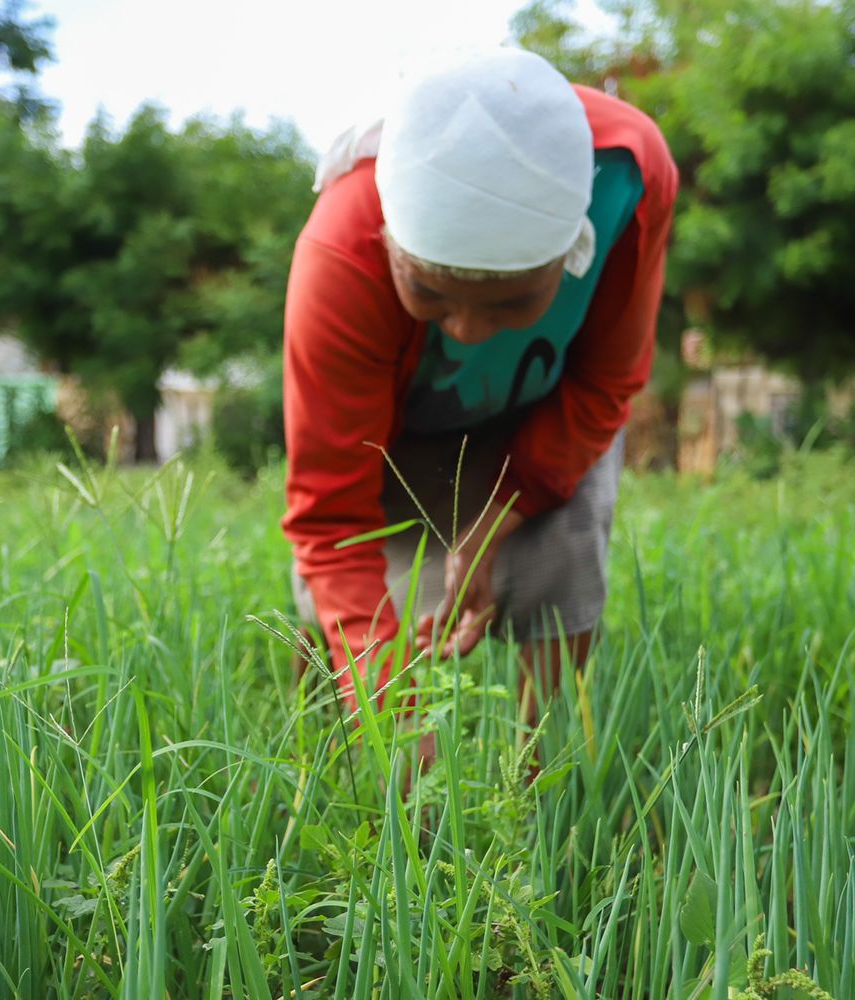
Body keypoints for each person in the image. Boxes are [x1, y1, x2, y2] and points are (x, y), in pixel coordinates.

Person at [282, 47, 678, 716]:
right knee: (346, 611)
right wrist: (394, 721)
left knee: (564, 550)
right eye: (429, 292)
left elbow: (605, 382)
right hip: (396, 432)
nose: (467, 331)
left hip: (542, 412)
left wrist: (498, 517)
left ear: (569, 253)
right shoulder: (342, 252)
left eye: (512, 301)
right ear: (391, 245)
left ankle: (538, 766)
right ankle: (324, 750)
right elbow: (333, 518)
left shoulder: (628, 176)